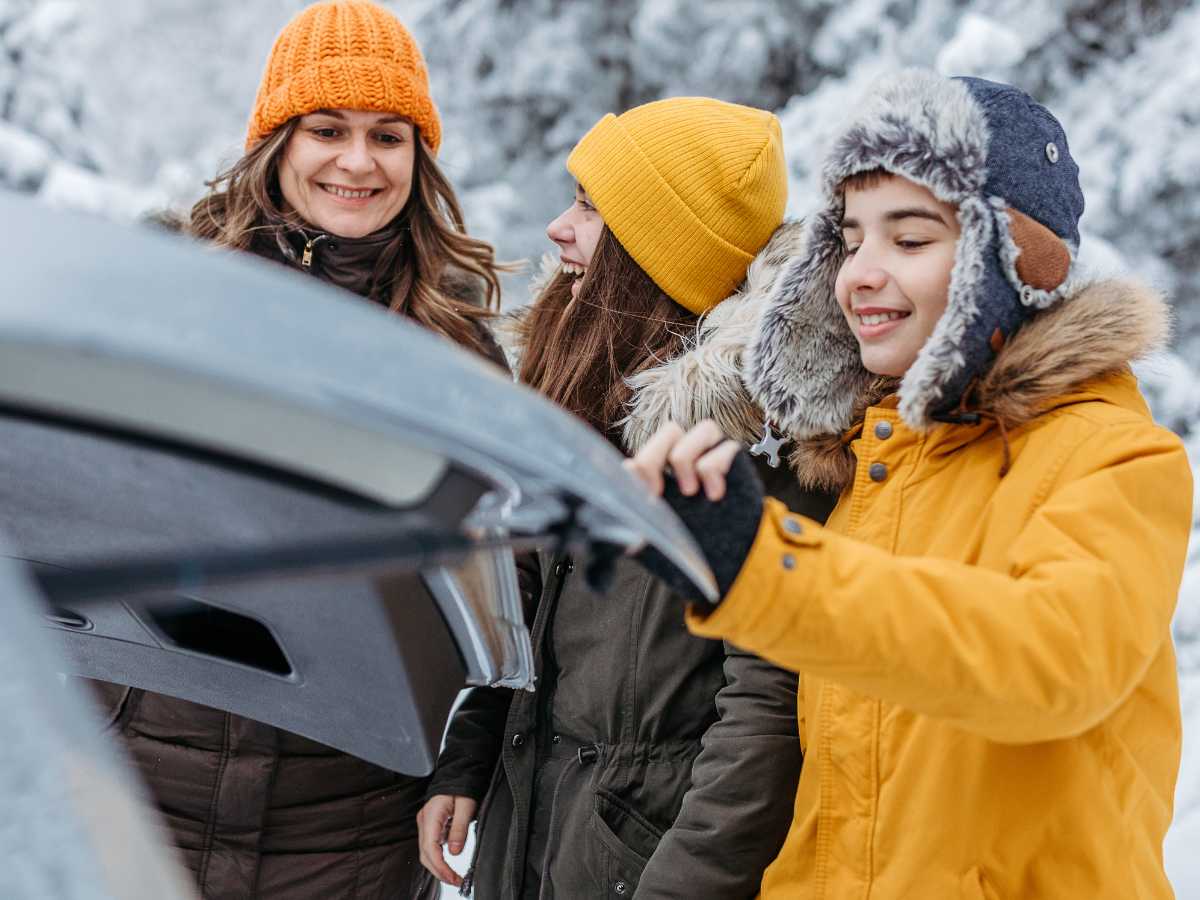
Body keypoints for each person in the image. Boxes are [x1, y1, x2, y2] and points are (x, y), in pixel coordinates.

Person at [626, 70, 1194, 899]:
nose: (859, 274)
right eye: (851, 239)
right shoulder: (870, 472)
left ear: (1016, 264)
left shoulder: (1113, 455)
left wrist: (767, 569)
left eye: (911, 239)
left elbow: (1048, 663)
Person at [88, 2, 512, 897]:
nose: (357, 162)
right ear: (276, 141)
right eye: (327, 129)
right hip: (144, 767)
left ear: (417, 156)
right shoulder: (170, 297)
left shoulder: (456, 349)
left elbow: (499, 587)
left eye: (387, 136)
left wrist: (460, 764)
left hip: (350, 805)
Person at [417, 97, 837, 899]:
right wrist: (469, 753)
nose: (557, 229)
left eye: (589, 207)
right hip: (533, 834)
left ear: (656, 253)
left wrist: (676, 887)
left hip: (636, 863)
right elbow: (526, 594)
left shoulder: (754, 443)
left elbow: (764, 717)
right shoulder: (586, 385)